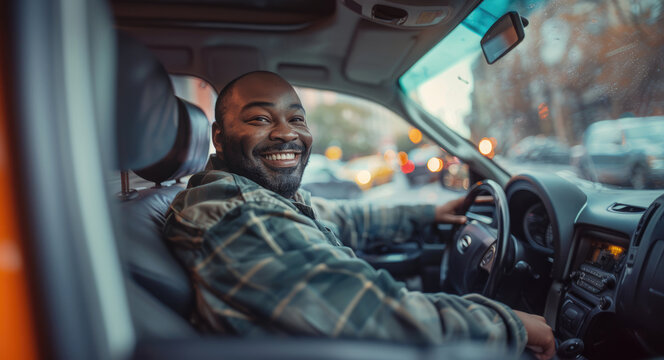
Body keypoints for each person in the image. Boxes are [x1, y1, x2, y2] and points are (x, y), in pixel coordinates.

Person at [163, 71, 555, 360]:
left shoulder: (252, 195)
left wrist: (429, 212)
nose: (287, 134)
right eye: (261, 119)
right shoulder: (240, 214)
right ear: (218, 136)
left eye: (296, 118)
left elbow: (344, 218)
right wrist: (508, 325)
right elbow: (376, 317)